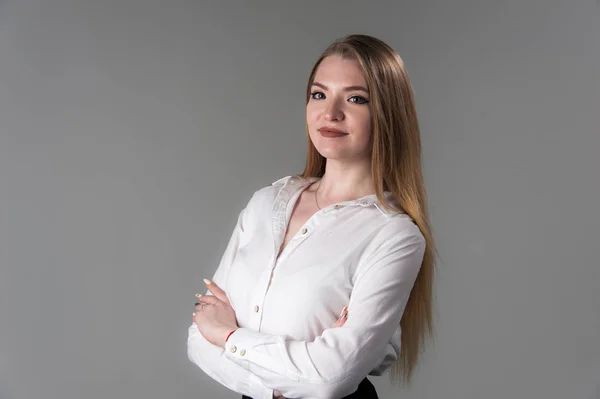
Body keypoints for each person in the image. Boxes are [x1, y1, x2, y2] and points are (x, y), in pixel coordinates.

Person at [187, 34, 436, 399]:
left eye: (355, 99)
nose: (330, 113)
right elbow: (197, 340)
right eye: (319, 94)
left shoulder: (394, 237)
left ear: (387, 113)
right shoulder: (264, 203)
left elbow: (329, 380)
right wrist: (282, 383)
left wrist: (228, 335)